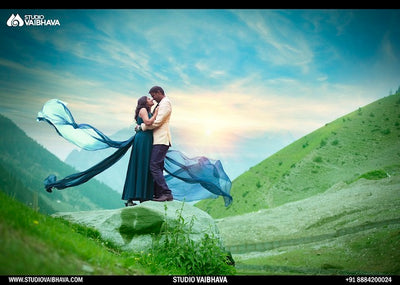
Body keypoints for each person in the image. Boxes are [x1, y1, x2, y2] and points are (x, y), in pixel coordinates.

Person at [122, 96, 158, 206]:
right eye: (148, 99)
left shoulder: (147, 111)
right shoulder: (143, 110)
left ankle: (143, 196)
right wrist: (156, 114)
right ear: (144, 102)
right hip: (143, 140)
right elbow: (147, 122)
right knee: (140, 165)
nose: (151, 100)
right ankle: (132, 198)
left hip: (146, 139)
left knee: (144, 166)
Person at [140, 86, 173, 202]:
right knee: (158, 166)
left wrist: (142, 127)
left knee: (154, 165)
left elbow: (158, 122)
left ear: (159, 92)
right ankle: (158, 194)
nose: (153, 99)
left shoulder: (165, 103)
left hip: (161, 139)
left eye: (154, 96)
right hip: (159, 140)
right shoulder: (161, 104)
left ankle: (166, 193)